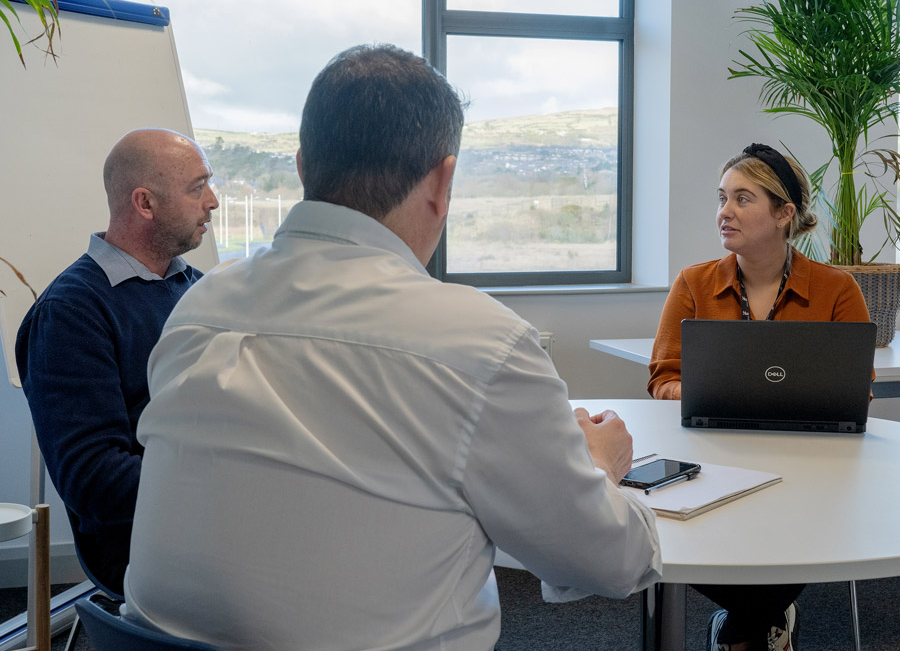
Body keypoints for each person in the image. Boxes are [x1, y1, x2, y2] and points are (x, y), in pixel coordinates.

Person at [122, 44, 662, 651]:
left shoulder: (199, 309)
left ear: (303, 166)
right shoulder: (479, 342)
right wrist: (598, 465)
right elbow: (613, 562)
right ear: (443, 180)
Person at [648, 144, 871, 651]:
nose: (724, 212)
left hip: (809, 466)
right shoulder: (694, 283)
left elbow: (856, 386)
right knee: (679, 536)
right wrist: (700, 391)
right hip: (712, 458)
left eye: (742, 199)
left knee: (813, 519)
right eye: (721, 198)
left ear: (784, 213)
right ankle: (767, 620)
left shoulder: (837, 289)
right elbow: (663, 378)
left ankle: (741, 630)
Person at [15, 128, 218, 596]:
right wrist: (225, 479)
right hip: (145, 547)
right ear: (145, 204)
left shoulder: (200, 288)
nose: (212, 202)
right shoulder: (70, 313)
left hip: (208, 512)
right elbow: (95, 481)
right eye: (197, 187)